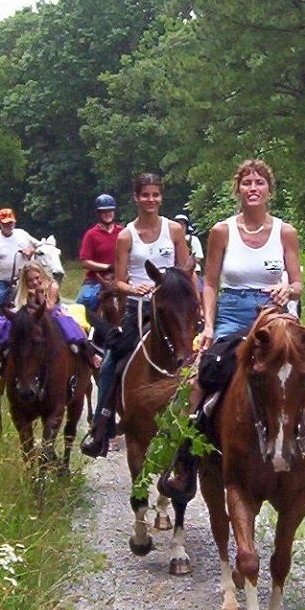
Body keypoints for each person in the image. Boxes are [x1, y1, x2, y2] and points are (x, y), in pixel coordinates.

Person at [168, 159, 305, 502]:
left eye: (259, 182)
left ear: (269, 190)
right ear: (238, 189)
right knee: (199, 381)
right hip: (233, 316)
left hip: (277, 317)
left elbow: (297, 283)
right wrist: (208, 325)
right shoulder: (222, 231)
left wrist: (288, 291)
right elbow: (211, 284)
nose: (253, 188)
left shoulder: (285, 232)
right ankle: (185, 460)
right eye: (246, 182)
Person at [80, 173, 194, 458]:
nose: (151, 200)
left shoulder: (174, 231)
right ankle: (101, 426)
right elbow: (118, 282)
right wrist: (134, 287)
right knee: (109, 361)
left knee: (199, 353)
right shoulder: (126, 235)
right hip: (139, 307)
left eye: (156, 194)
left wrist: (197, 306)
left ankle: (203, 421)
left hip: (171, 306)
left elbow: (186, 269)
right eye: (145, 195)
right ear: (136, 198)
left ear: (161, 197)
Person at [0, 262, 100, 375]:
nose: (35, 282)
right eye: (30, 280)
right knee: (10, 327)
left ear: (42, 274)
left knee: (72, 328)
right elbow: (22, 305)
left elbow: (49, 307)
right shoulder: (25, 290)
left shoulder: (52, 286)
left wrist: (39, 294)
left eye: (37, 278)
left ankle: (90, 354)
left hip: (51, 313)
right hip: (31, 315)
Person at [0, 207, 36, 331]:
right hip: (1, 280)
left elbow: (35, 246)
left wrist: (30, 250)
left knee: (36, 298)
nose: (9, 226)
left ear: (14, 222)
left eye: (11, 222)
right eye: (6, 223)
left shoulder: (22, 234)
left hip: (23, 278)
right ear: (0, 223)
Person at [77, 193, 123, 336]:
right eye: (104, 211)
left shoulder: (122, 232)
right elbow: (85, 261)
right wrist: (106, 267)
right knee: (82, 305)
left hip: (120, 278)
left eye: (110, 210)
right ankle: (82, 338)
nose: (108, 214)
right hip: (95, 280)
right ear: (99, 213)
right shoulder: (91, 234)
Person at [174, 213, 205, 279]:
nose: (180, 226)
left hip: (193, 272)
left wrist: (187, 264)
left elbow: (198, 257)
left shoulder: (193, 239)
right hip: (175, 273)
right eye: (178, 223)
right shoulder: (171, 240)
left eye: (182, 224)